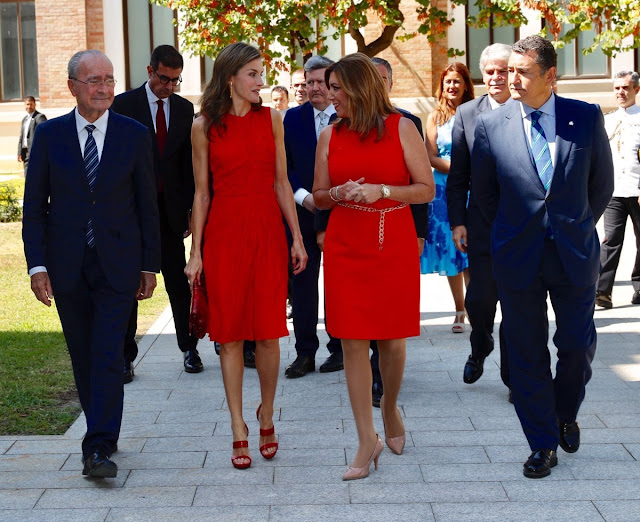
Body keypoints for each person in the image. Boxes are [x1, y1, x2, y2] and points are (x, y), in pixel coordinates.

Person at [472, 35, 614, 478]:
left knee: (576, 346)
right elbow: (486, 196)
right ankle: (541, 442)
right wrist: (516, 231)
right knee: (525, 351)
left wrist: (573, 226)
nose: (511, 79)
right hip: (518, 258)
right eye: (508, 70)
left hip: (573, 254)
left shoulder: (585, 117)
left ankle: (565, 412)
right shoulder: (490, 125)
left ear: (550, 75)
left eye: (522, 72)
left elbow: (601, 186)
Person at [22, 50, 160, 478]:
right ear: (73, 87)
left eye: (109, 79)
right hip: (67, 266)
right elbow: (34, 207)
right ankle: (102, 435)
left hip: (118, 264)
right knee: (83, 355)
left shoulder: (134, 135)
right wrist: (37, 266)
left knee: (108, 353)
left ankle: (97, 445)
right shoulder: (50, 136)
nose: (104, 88)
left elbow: (147, 205)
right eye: (94, 80)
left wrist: (149, 265)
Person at [184, 42, 307, 470]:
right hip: (224, 235)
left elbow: (281, 183)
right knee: (231, 334)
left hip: (267, 232)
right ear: (230, 77)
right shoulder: (203, 126)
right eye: (253, 74)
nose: (261, 82)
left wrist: (296, 237)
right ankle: (238, 424)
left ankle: (266, 413)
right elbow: (201, 194)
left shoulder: (272, 119)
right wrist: (196, 252)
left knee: (269, 332)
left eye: (261, 73)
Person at [313, 53, 434, 480]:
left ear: (358, 88)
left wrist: (383, 190)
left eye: (336, 88)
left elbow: (426, 189)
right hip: (346, 244)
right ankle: (367, 439)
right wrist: (338, 193)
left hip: (391, 241)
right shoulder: (329, 135)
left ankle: (390, 406)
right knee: (351, 341)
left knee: (392, 342)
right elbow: (319, 197)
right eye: (328, 88)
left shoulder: (402, 127)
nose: (329, 95)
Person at [111, 45, 200, 381]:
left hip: (170, 213)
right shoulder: (123, 105)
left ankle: (189, 348)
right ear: (150, 71)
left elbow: (188, 164)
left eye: (176, 80)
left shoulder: (184, 109)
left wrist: (189, 209)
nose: (169, 86)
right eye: (164, 79)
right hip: (132, 212)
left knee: (178, 282)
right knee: (129, 283)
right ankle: (125, 357)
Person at [446, 44, 512, 392]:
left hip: (523, 225)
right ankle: (481, 346)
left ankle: (515, 377)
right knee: (479, 299)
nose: (497, 77)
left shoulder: (528, 108)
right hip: (481, 224)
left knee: (517, 304)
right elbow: (458, 177)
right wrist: (458, 222)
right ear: (482, 75)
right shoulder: (468, 113)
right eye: (490, 72)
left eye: (504, 70)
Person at [370, 56, 428, 407]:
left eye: (382, 79)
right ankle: (369, 369)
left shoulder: (408, 123)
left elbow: (418, 182)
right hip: (355, 232)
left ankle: (381, 377)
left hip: (397, 227)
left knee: (389, 308)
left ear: (391, 83)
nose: (376, 85)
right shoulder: (338, 123)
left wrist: (419, 233)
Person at [283, 56, 344, 378]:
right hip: (303, 214)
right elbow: (284, 167)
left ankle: (340, 348)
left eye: (321, 82)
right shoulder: (292, 119)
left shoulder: (346, 115)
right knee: (303, 284)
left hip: (341, 214)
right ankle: (304, 353)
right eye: (310, 82)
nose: (316, 88)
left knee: (338, 283)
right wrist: (303, 197)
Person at [421, 63, 474, 332]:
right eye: (448, 82)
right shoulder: (435, 117)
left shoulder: (476, 112)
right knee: (452, 252)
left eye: (457, 81)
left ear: (465, 85)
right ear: (441, 87)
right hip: (443, 191)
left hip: (473, 188)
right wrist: (459, 170)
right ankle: (459, 310)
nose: (452, 86)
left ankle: (475, 308)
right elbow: (430, 156)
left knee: (472, 250)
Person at [595, 70, 640, 309]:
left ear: (636, 90)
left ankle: (639, 286)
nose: (621, 92)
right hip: (614, 191)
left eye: (626, 88)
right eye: (617, 88)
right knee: (611, 240)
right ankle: (602, 291)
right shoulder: (607, 120)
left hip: (638, 189)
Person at [17, 96, 47, 175]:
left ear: (35, 105)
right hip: (25, 152)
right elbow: (22, 136)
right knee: (27, 175)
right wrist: (19, 152)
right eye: (27, 104)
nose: (29, 106)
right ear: (24, 105)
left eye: (31, 104)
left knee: (36, 175)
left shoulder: (40, 117)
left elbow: (44, 134)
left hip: (35, 152)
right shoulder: (25, 119)